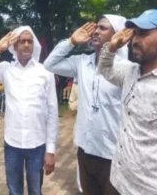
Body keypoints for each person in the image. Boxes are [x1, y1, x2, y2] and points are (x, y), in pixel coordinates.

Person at [44, 15, 127, 195]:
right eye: (96, 27)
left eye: (103, 28)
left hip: (112, 154)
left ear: (117, 35)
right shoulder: (82, 62)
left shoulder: (125, 69)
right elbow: (49, 65)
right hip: (85, 149)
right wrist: (71, 41)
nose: (96, 31)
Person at [0, 26, 59, 195]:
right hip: (12, 143)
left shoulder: (45, 73)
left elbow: (52, 112)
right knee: (14, 190)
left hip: (37, 143)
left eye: (29, 41)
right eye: (21, 41)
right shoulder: (6, 69)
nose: (25, 45)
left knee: (35, 190)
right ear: (14, 46)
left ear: (34, 45)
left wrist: (50, 150)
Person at [98, 9, 157, 194]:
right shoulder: (131, 72)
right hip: (118, 181)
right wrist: (112, 47)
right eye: (135, 33)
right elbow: (105, 69)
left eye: (144, 34)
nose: (135, 40)